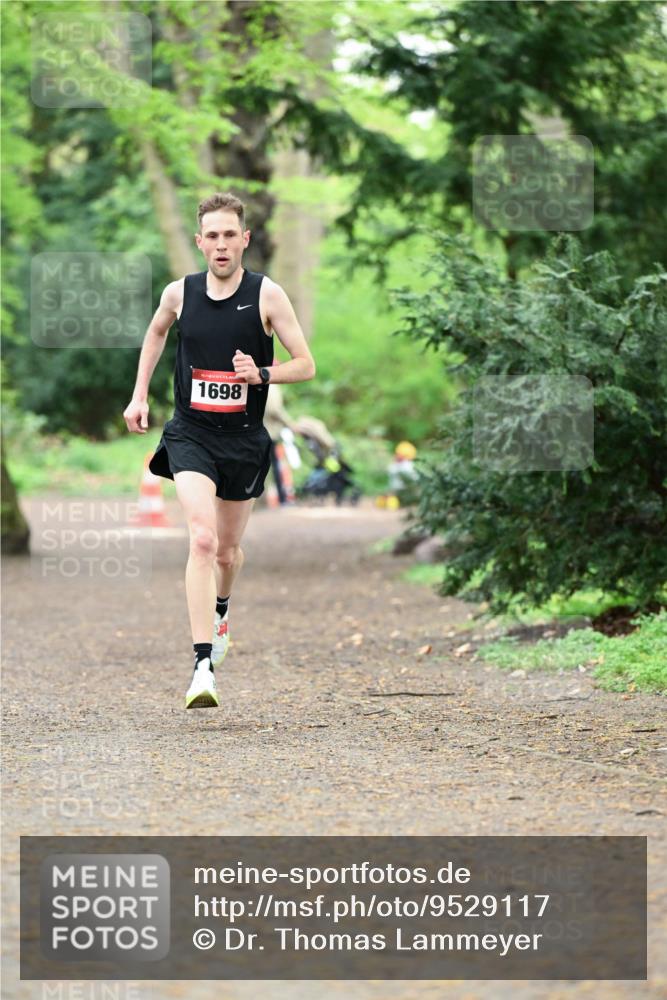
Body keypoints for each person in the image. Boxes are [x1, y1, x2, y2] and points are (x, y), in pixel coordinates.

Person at [123, 192, 315, 708]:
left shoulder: (268, 295)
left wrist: (263, 374)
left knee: (228, 553)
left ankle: (222, 609)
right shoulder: (178, 294)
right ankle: (202, 666)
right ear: (199, 241)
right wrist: (139, 395)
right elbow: (155, 334)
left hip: (243, 440)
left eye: (231, 234)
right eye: (212, 235)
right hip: (190, 434)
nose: (222, 244)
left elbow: (307, 364)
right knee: (203, 541)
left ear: (245, 239)